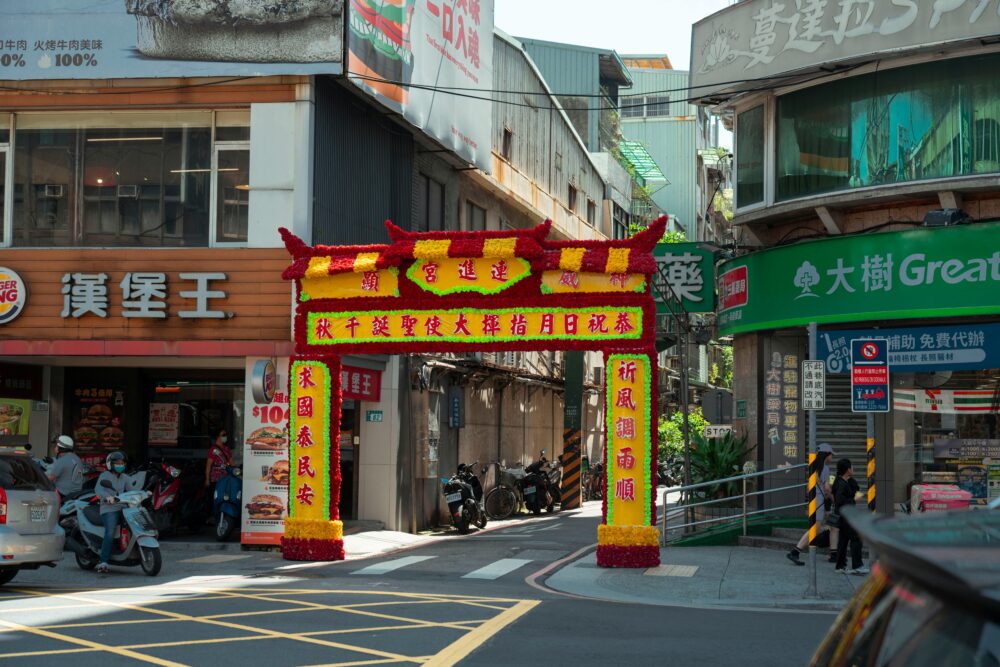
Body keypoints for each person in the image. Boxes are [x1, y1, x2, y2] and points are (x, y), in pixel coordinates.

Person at [787, 442, 835, 565]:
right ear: (827, 454)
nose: (832, 457)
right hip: (819, 501)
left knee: (816, 529)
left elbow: (809, 486)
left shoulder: (814, 466)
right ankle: (795, 551)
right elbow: (827, 488)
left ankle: (796, 551)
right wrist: (833, 497)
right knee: (815, 529)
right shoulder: (825, 468)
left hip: (813, 500)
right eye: (831, 455)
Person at [95, 451, 130, 574]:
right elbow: (98, 489)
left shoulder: (125, 477)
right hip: (109, 508)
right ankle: (103, 561)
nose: (120, 465)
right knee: (110, 532)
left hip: (122, 507)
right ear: (111, 464)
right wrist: (107, 497)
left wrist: (143, 493)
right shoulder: (105, 475)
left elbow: (133, 488)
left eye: (122, 463)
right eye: (117, 463)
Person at [833, 458, 869, 575]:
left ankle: (840, 566)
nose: (853, 469)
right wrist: (853, 499)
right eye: (851, 467)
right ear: (848, 469)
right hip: (846, 516)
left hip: (844, 516)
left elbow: (856, 489)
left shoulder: (845, 481)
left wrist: (855, 494)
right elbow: (840, 500)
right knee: (856, 538)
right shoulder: (841, 484)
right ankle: (857, 565)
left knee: (843, 541)